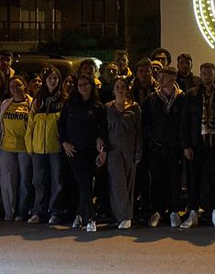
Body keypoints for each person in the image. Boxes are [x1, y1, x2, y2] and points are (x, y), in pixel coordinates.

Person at [142, 66, 189, 228]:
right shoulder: (151, 99)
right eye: (159, 76)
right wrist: (153, 138)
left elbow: (184, 123)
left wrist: (183, 143)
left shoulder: (182, 98)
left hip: (175, 146)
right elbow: (146, 123)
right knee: (156, 179)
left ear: (173, 79)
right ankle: (157, 211)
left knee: (175, 179)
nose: (160, 80)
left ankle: (174, 211)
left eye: (164, 77)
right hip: (157, 146)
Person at [59, 74, 106, 233]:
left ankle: (79, 214)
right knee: (84, 182)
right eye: (79, 85)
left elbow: (102, 128)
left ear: (91, 86)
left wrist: (100, 140)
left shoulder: (98, 107)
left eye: (86, 84)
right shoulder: (69, 104)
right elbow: (61, 125)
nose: (83, 87)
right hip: (74, 151)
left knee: (86, 183)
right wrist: (64, 143)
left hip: (91, 150)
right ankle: (90, 218)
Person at [186, 62, 215, 230]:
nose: (206, 76)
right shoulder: (192, 94)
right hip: (197, 144)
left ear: (214, 74)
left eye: (209, 73)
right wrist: (186, 145)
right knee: (194, 179)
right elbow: (186, 121)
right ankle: (193, 212)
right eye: (203, 73)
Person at [25, 66, 65, 225]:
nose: (53, 81)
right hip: (38, 148)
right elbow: (30, 125)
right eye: (49, 78)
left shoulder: (64, 100)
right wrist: (30, 147)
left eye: (55, 78)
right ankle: (38, 211)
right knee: (39, 181)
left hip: (56, 147)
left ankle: (55, 211)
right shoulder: (38, 100)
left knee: (57, 180)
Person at [103, 77, 142, 229]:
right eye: (117, 86)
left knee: (128, 183)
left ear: (127, 89)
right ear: (113, 90)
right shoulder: (108, 108)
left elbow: (139, 131)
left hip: (129, 148)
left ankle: (125, 216)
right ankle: (123, 215)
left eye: (122, 87)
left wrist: (138, 151)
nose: (120, 89)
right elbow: (104, 130)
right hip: (113, 149)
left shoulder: (134, 108)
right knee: (116, 182)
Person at [0, 76, 32, 222]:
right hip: (7, 147)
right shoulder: (6, 103)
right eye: (12, 87)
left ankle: (22, 212)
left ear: (25, 86)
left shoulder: (31, 104)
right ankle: (9, 212)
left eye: (18, 86)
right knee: (8, 181)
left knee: (25, 180)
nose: (15, 89)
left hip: (24, 147)